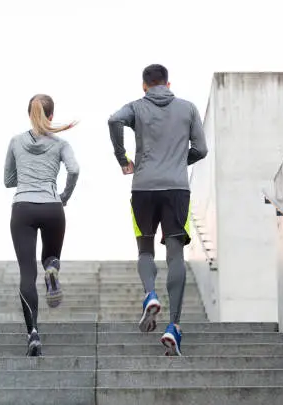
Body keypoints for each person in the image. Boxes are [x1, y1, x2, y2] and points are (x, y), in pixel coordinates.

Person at [108, 64, 208, 356]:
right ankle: (173, 326)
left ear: (144, 86)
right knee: (175, 254)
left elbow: (113, 120)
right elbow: (201, 149)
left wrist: (122, 158)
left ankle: (150, 294)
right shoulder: (188, 108)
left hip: (143, 188)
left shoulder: (136, 107)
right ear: (168, 83)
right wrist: (178, 161)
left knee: (145, 250)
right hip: (177, 189)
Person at [4, 94, 79, 356]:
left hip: (22, 207)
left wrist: (26, 177)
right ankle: (52, 268)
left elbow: (8, 180)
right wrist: (64, 196)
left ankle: (33, 332)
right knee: (50, 257)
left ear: (29, 115)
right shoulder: (61, 144)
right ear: (51, 116)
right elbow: (74, 170)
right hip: (52, 207)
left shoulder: (15, 142)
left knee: (27, 274)